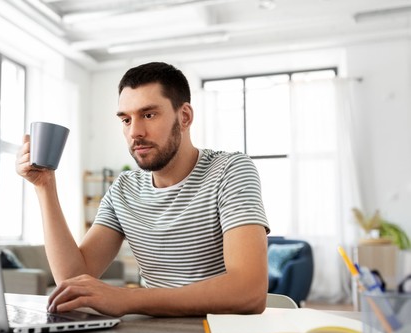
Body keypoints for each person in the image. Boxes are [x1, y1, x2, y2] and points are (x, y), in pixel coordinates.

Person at [15, 62, 269, 317]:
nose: (134, 132)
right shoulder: (124, 190)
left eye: (148, 115)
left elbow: (248, 292)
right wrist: (45, 186)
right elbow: (72, 281)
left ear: (185, 117)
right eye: (126, 119)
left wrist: (130, 298)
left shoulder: (230, 170)